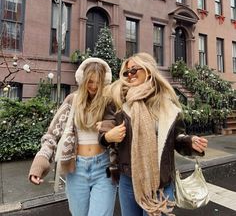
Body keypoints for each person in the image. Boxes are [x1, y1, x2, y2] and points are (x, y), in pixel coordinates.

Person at [98, 52, 208, 216]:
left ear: (148, 70)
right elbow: (105, 129)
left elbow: (177, 138)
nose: (129, 75)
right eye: (127, 72)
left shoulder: (167, 106)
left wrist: (190, 142)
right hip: (129, 180)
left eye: (134, 70)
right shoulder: (120, 101)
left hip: (161, 184)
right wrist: (108, 136)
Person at [29, 57, 117, 216]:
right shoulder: (72, 100)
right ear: (82, 80)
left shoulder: (110, 102)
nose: (94, 86)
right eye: (90, 81)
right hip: (76, 169)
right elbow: (52, 134)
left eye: (98, 82)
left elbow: (121, 132)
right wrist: (39, 164)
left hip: (104, 167)